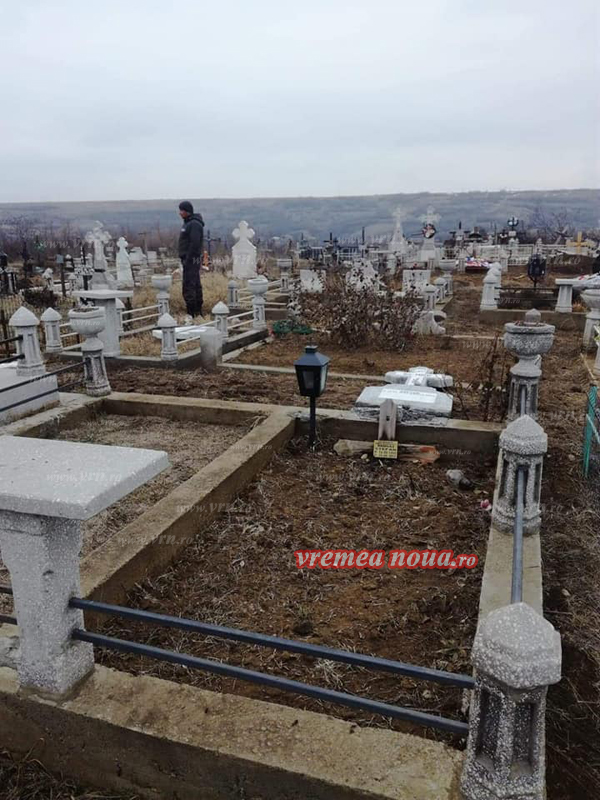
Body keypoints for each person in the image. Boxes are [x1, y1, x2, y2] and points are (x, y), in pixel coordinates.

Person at [177, 200, 204, 322]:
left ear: (188, 211)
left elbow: (195, 243)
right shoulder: (187, 223)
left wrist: (188, 259)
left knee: (190, 285)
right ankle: (196, 312)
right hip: (188, 259)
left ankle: (193, 312)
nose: (180, 213)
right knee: (193, 283)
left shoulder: (194, 224)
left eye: (182, 210)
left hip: (191, 259)